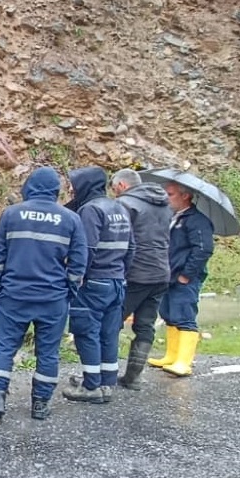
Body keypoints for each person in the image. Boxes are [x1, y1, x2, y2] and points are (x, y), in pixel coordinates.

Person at [0, 166, 89, 421]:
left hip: (14, 294)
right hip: (52, 298)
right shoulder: (70, 218)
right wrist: (69, 292)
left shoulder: (11, 214)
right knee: (48, 352)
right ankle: (40, 404)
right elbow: (78, 262)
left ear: (29, 186)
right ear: (55, 190)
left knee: (5, 347)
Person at [60, 166, 135, 404]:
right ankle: (106, 382)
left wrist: (77, 274)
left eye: (73, 185)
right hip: (116, 282)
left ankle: (91, 385)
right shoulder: (119, 207)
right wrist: (122, 273)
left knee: (86, 331)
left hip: (93, 282)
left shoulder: (90, 210)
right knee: (108, 333)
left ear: (85, 185)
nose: (71, 190)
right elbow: (132, 247)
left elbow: (87, 248)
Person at [108, 168, 172, 390]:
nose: (114, 193)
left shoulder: (126, 205)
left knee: (112, 321)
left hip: (135, 273)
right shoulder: (165, 204)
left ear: (122, 186)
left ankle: (102, 375)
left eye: (114, 188)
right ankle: (134, 377)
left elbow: (121, 239)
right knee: (145, 325)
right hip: (161, 272)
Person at [148, 181, 215, 376]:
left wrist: (187, 275)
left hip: (184, 278)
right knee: (169, 313)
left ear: (185, 196)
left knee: (185, 316)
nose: (165, 198)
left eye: (170, 194)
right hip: (167, 275)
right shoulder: (173, 217)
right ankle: (171, 356)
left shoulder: (197, 221)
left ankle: (184, 362)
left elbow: (203, 250)